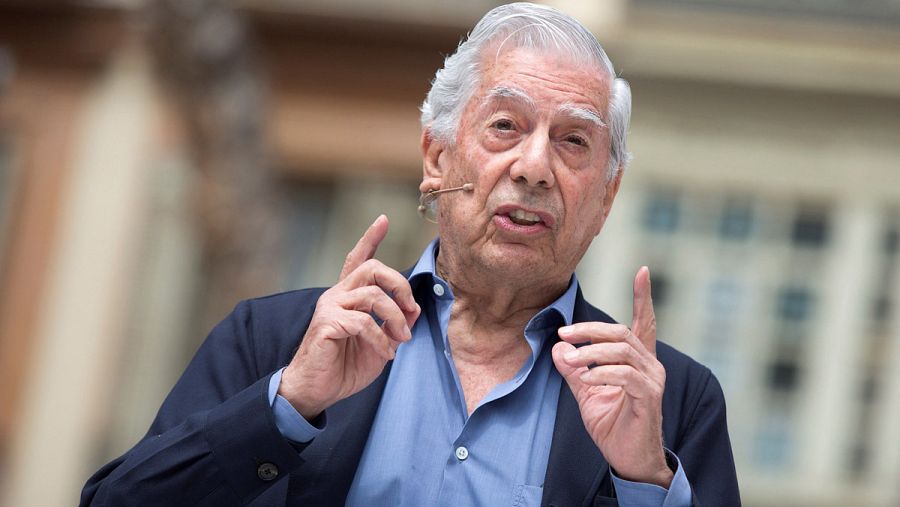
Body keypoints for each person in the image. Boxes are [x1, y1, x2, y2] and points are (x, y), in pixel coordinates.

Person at [81, 3, 739, 506]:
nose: (535, 166)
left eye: (573, 141)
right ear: (435, 157)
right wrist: (286, 408)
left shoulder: (672, 401)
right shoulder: (280, 339)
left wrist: (645, 482)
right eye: (505, 125)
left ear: (606, 196)